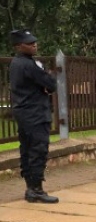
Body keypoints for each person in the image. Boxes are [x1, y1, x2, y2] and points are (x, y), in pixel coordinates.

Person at [9, 29, 59, 204]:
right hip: (36, 113)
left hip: (23, 113)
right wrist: (47, 78)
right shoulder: (30, 65)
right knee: (38, 150)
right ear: (18, 46)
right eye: (29, 43)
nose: (34, 45)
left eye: (34, 42)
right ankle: (36, 189)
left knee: (27, 149)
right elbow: (51, 84)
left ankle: (30, 188)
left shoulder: (15, 63)